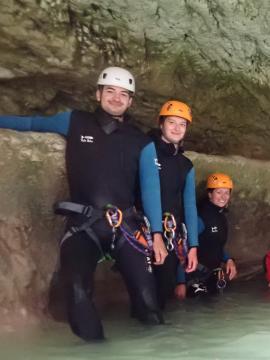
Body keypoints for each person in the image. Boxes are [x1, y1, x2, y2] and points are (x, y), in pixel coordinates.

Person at [0, 67, 167, 341]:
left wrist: (157, 236)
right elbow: (30, 123)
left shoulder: (141, 142)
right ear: (98, 93)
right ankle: (96, 350)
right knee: (76, 290)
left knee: (149, 298)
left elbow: (151, 191)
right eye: (110, 91)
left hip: (125, 227)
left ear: (131, 101)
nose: (116, 98)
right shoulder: (74, 121)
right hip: (83, 226)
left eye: (123, 94)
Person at [146, 100, 199, 308]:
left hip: (169, 234)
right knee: (143, 290)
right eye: (172, 122)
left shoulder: (186, 165)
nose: (177, 128)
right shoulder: (146, 151)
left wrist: (193, 247)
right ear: (161, 124)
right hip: (142, 231)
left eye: (182, 124)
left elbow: (189, 206)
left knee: (161, 294)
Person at [175, 173, 238, 298]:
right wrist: (180, 282)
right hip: (193, 277)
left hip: (210, 276)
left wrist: (228, 260)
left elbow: (215, 244)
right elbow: (181, 248)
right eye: (219, 192)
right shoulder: (201, 217)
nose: (223, 197)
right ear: (210, 194)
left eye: (226, 193)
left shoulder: (221, 216)